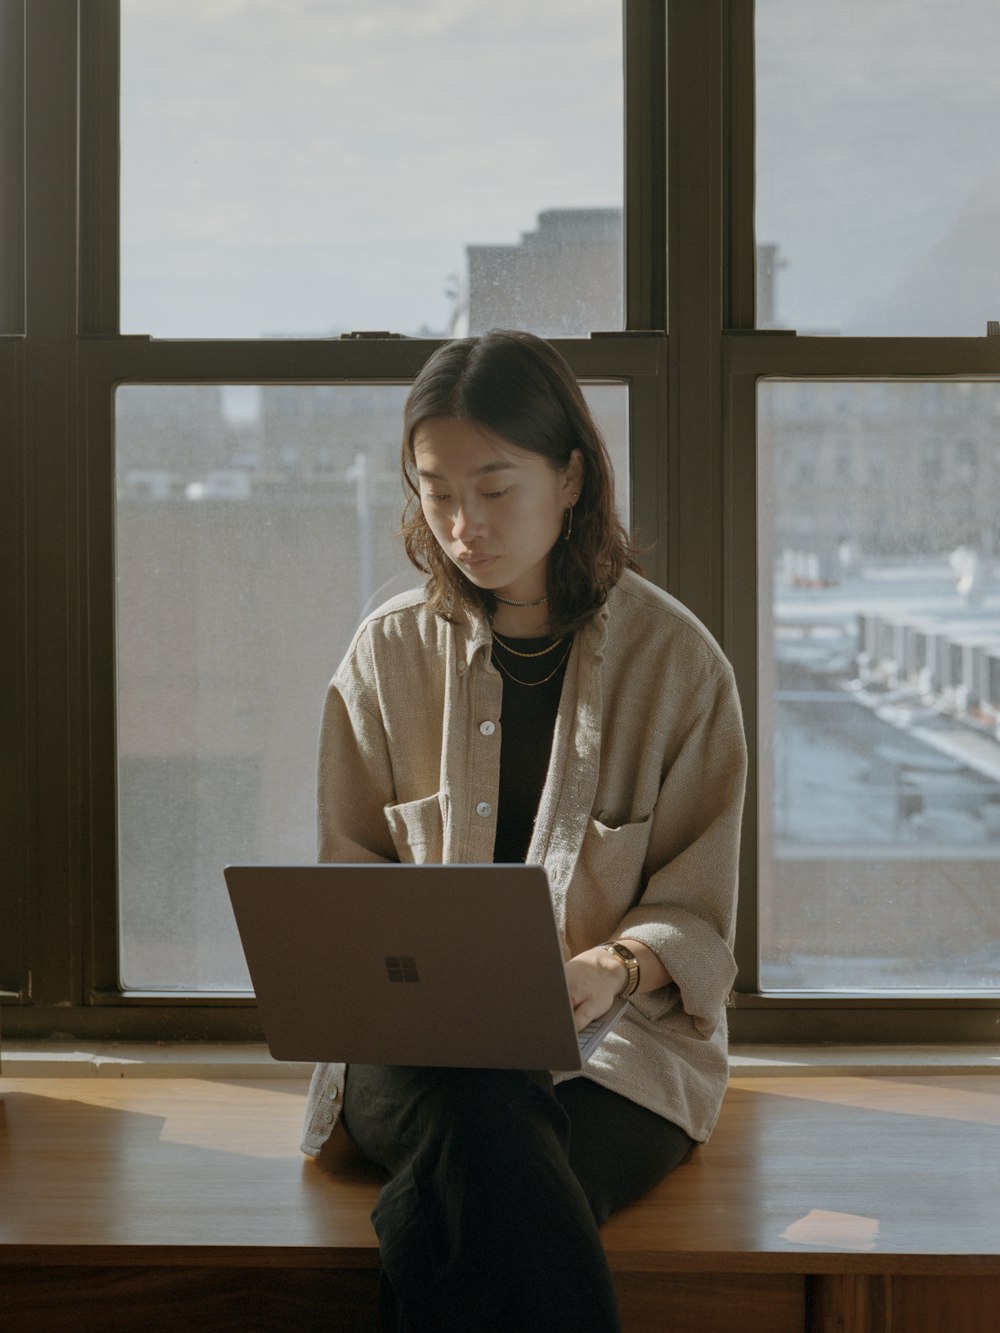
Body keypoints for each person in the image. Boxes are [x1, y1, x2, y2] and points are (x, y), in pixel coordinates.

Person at [301, 330, 747, 1331]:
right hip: (416, 1054)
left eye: (495, 489)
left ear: (572, 474)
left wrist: (618, 968)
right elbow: (346, 886)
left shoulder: (677, 664)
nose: (463, 524)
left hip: (618, 1050)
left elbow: (700, 916)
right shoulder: (386, 655)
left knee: (465, 1191)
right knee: (488, 1127)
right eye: (435, 490)